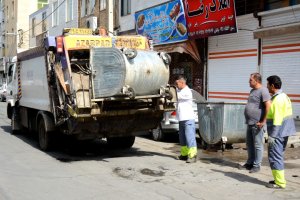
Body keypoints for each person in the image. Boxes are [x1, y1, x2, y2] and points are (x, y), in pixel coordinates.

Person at [265, 75, 296, 189]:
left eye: (268, 84)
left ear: (273, 86)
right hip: (284, 132)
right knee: (277, 156)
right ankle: (278, 179)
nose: (266, 86)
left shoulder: (277, 100)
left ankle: (280, 183)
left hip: (277, 133)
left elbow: (277, 119)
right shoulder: (284, 96)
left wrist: (272, 136)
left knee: (275, 157)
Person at [241, 73, 271, 173]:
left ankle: (257, 165)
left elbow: (268, 106)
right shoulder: (253, 90)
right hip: (249, 122)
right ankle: (250, 163)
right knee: (249, 144)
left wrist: (263, 121)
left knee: (258, 145)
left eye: (250, 80)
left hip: (257, 123)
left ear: (257, 81)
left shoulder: (263, 90)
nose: (248, 82)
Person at [174, 76, 197, 163]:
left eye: (177, 83)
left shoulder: (187, 91)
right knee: (182, 138)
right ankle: (184, 154)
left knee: (189, 138)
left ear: (182, 83)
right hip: (181, 119)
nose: (176, 85)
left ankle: (192, 155)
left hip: (188, 119)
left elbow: (176, 96)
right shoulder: (179, 91)